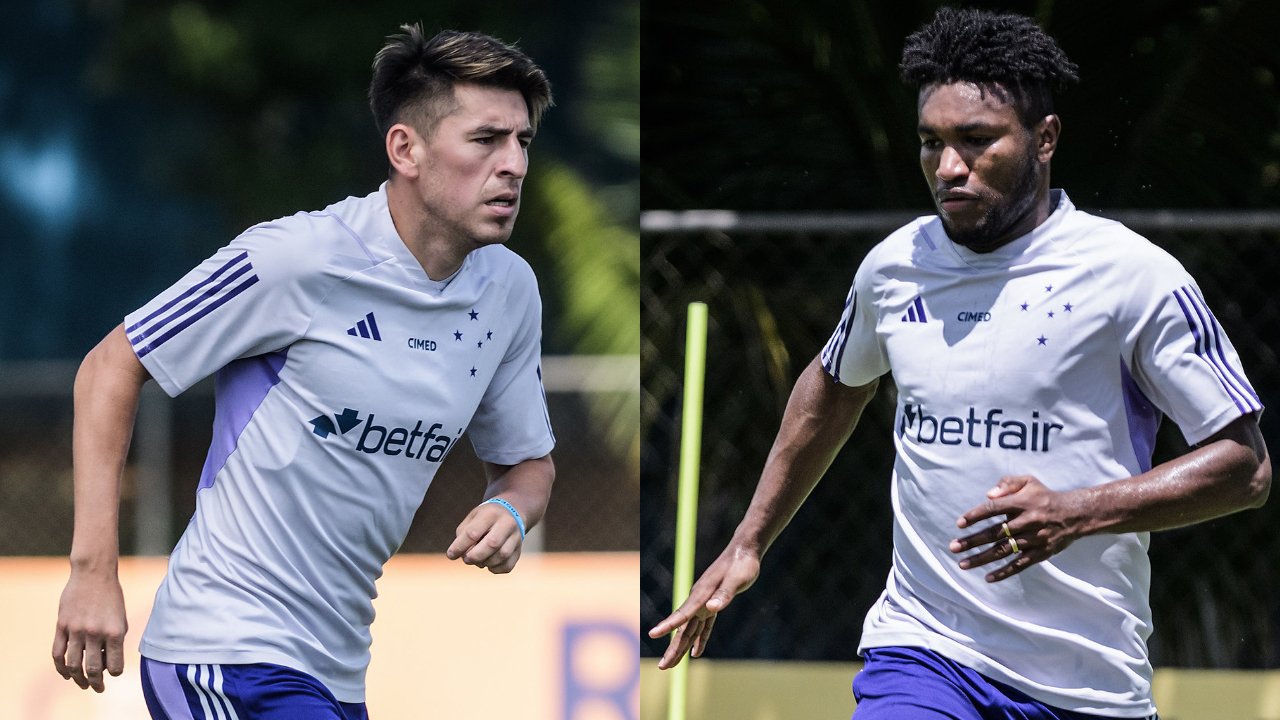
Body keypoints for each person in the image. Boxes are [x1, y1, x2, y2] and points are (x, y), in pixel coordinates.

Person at [649, 7, 1270, 720]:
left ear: (1045, 139)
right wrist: (749, 541)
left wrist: (1074, 512)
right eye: (931, 142)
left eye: (976, 141)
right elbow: (831, 387)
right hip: (925, 653)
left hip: (1087, 684)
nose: (948, 167)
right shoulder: (894, 267)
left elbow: (1244, 467)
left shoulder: (1135, 276)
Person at [51, 25, 556, 719]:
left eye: (522, 141)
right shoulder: (296, 258)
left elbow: (529, 466)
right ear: (404, 148)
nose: (514, 165)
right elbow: (109, 366)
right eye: (485, 140)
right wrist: (91, 573)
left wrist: (510, 511)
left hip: (337, 674)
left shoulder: (510, 292)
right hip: (223, 655)